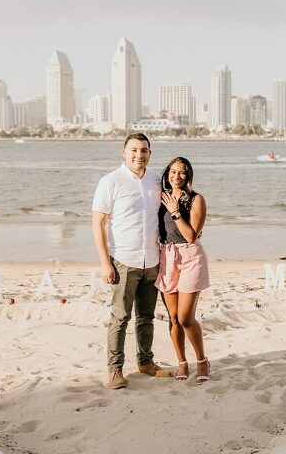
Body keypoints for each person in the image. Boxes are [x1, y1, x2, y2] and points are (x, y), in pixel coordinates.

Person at [92, 133, 173, 390]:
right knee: (120, 317)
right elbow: (98, 223)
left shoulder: (156, 180)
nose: (139, 155)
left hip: (152, 260)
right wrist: (105, 263)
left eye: (144, 150)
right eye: (135, 150)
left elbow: (172, 208)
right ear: (124, 152)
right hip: (123, 260)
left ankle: (146, 362)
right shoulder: (110, 181)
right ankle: (115, 370)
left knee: (146, 317)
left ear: (150, 153)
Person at [156, 157, 211, 384]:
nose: (176, 176)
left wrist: (175, 211)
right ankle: (182, 362)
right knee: (173, 318)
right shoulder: (161, 197)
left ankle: (201, 361)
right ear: (167, 173)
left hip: (190, 258)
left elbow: (191, 236)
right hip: (167, 256)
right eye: (173, 171)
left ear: (188, 175)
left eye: (182, 172)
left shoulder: (197, 199)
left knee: (186, 318)